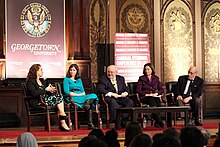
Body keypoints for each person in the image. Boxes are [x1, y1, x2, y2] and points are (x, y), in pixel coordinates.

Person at [26, 64, 70, 132]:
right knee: (59, 98)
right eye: (41, 70)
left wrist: (50, 90)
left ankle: (62, 119)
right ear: (36, 71)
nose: (42, 71)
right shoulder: (30, 81)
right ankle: (63, 119)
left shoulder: (42, 81)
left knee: (59, 97)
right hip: (38, 102)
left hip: (45, 100)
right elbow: (34, 93)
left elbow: (45, 92)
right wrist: (46, 89)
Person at [97, 65, 133, 129]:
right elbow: (100, 89)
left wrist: (125, 93)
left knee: (129, 102)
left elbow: (126, 89)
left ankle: (123, 119)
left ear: (116, 72)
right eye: (108, 72)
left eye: (112, 72)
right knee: (113, 102)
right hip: (110, 98)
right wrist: (111, 94)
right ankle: (117, 120)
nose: (110, 74)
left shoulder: (121, 78)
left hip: (120, 97)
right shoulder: (103, 79)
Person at [63, 64, 99, 130]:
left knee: (94, 95)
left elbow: (83, 91)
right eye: (71, 70)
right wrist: (78, 95)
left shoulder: (79, 80)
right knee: (90, 105)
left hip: (81, 96)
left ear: (76, 71)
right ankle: (90, 123)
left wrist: (82, 94)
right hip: (72, 97)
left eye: (74, 70)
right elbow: (66, 91)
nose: (72, 71)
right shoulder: (66, 79)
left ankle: (86, 104)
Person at [136, 63, 164, 128]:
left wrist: (156, 93)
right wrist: (147, 94)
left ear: (152, 70)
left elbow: (161, 90)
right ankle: (159, 121)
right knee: (152, 102)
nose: (147, 71)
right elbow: (138, 90)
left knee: (157, 102)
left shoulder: (156, 78)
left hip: (154, 96)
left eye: (148, 69)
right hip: (145, 97)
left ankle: (157, 121)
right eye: (145, 69)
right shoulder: (141, 78)